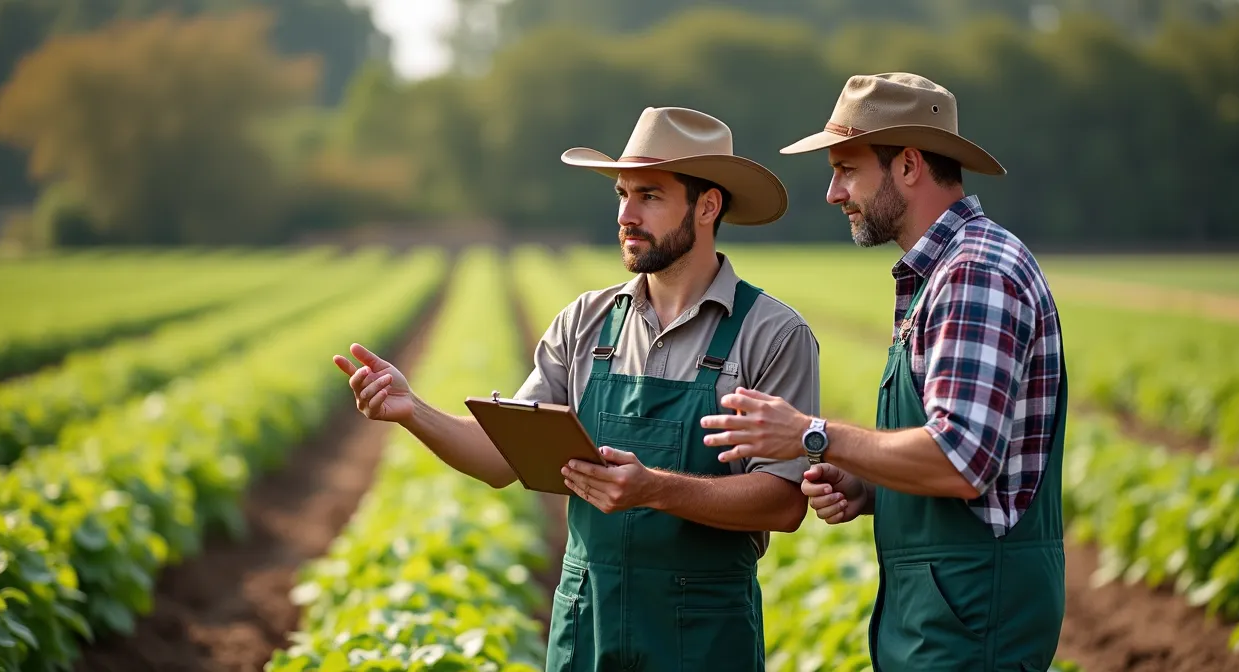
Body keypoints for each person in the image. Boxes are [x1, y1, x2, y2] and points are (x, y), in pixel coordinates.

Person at [333, 106, 821, 672]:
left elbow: (784, 502)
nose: (627, 214)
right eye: (622, 193)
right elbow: (500, 460)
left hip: (705, 633)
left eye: (650, 196)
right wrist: (411, 409)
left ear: (707, 205)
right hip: (586, 623)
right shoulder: (585, 322)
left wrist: (653, 489)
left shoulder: (772, 333)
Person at [700, 72, 1068, 671]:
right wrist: (872, 489)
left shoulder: (975, 274)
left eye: (846, 169)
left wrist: (811, 435)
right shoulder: (943, 272)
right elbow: (966, 460)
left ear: (909, 166)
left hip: (973, 621)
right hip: (943, 613)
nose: (833, 192)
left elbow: (962, 459)